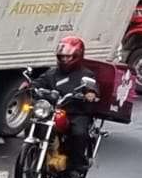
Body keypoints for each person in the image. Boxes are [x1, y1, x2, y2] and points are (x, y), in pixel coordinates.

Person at [32, 35, 99, 170]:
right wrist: (28, 86)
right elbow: (38, 82)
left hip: (76, 112)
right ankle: (37, 154)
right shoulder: (51, 73)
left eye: (67, 57)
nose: (64, 59)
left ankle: (77, 165)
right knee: (35, 123)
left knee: (78, 133)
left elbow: (92, 87)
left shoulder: (86, 74)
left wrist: (90, 93)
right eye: (62, 57)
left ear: (77, 56)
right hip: (52, 110)